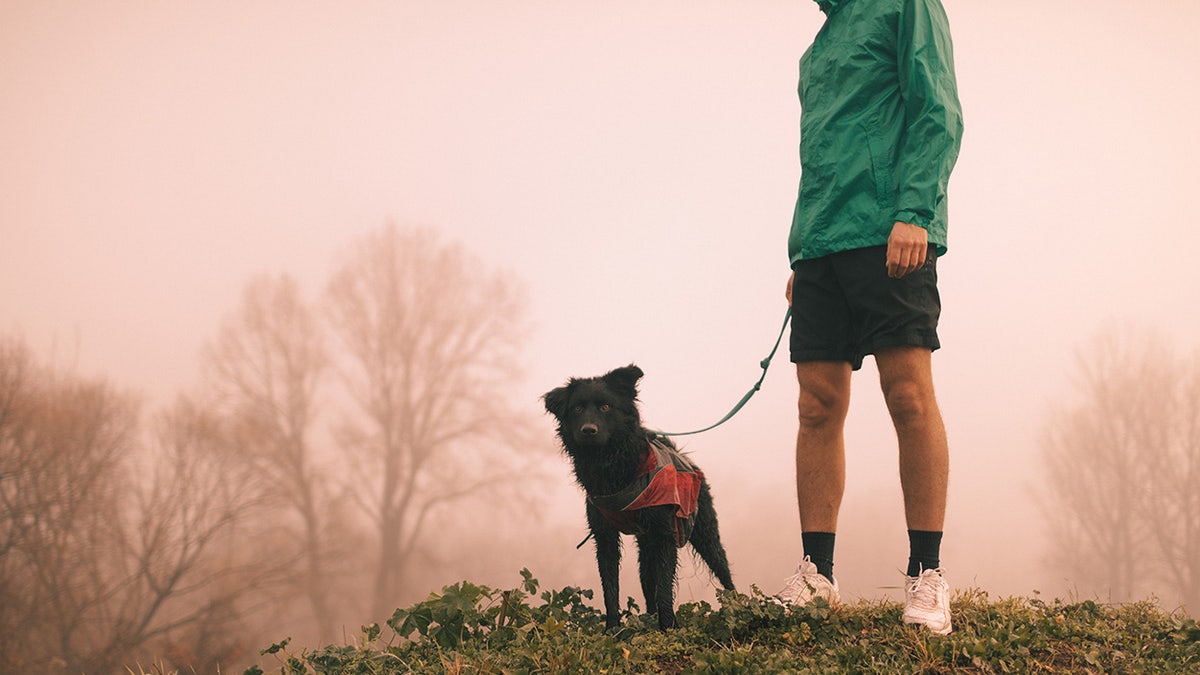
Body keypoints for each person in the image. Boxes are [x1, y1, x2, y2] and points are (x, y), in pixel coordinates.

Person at [773, 0, 963, 636]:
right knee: (816, 405)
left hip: (890, 232)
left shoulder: (904, 4)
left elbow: (937, 108)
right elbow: (820, 157)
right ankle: (816, 574)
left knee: (907, 394)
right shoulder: (820, 45)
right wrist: (805, 251)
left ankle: (927, 576)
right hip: (822, 247)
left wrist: (916, 210)